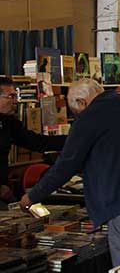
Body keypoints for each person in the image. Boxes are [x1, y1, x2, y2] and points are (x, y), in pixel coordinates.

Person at [20, 79, 120, 265]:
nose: (78, 117)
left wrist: (33, 196)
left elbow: (66, 165)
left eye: (76, 113)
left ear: (81, 103)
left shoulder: (89, 116)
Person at [0, 77, 66, 207]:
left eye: (16, 96)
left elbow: (37, 142)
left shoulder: (8, 122)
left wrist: (76, 139)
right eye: (11, 96)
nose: (15, 101)